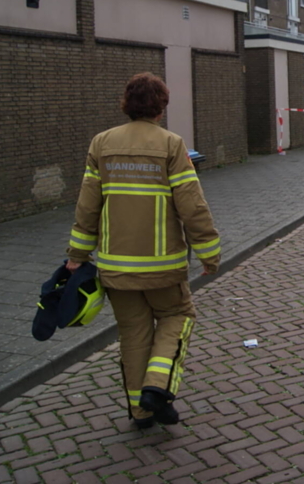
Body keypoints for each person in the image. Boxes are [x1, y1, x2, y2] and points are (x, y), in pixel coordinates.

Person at [66, 73, 220, 429]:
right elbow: (192, 207)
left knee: (133, 335)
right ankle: (157, 387)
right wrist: (208, 253)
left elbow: (87, 207)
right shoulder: (171, 145)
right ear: (161, 106)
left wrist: (77, 255)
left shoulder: (101, 144)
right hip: (162, 265)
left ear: (126, 103)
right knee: (177, 316)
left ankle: (141, 411)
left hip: (115, 268)